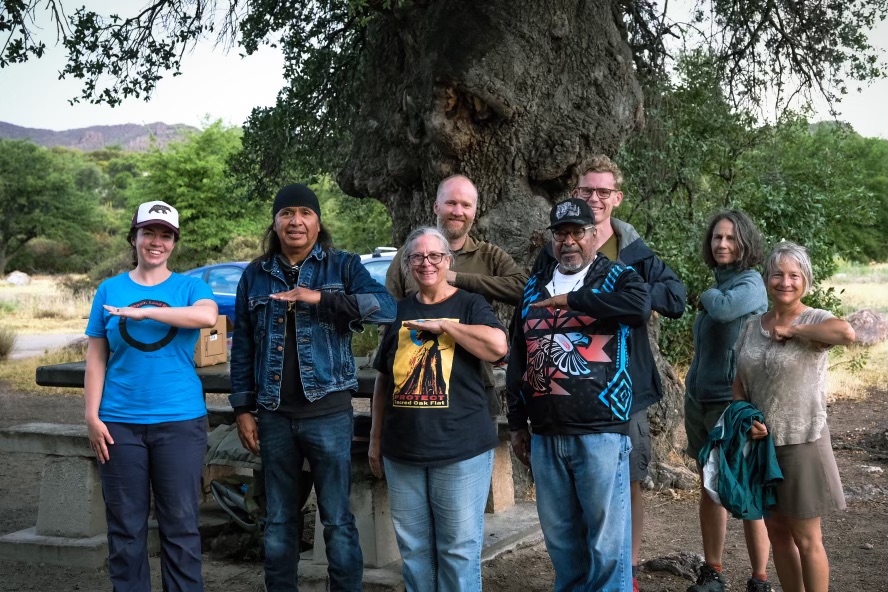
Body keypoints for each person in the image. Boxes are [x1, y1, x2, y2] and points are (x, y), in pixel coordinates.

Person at [229, 183, 396, 592]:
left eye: (305, 213)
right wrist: (242, 408)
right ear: (275, 222)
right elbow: (244, 347)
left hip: (329, 413)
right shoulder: (255, 274)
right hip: (273, 415)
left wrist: (320, 298)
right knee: (280, 519)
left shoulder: (343, 266)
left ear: (319, 223)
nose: (296, 221)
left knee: (337, 519)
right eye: (287, 213)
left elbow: (387, 307)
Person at [530, 155, 686, 590]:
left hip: (624, 386)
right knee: (575, 502)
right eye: (586, 190)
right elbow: (534, 309)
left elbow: (674, 298)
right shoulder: (555, 248)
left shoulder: (631, 250)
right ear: (575, 193)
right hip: (563, 393)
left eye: (603, 191)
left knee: (624, 480)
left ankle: (626, 571)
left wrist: (616, 293)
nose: (594, 198)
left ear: (616, 198)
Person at [508, 198, 651, 591]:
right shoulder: (534, 285)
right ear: (552, 239)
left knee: (607, 549)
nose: (569, 241)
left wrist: (572, 300)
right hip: (546, 433)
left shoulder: (618, 277)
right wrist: (519, 422)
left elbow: (639, 310)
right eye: (561, 234)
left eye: (577, 233)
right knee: (562, 546)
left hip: (601, 430)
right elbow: (518, 354)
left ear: (593, 236)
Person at [84, 200, 219, 591]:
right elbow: (96, 357)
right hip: (119, 424)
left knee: (180, 526)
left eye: (165, 235)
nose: (156, 242)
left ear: (174, 243)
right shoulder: (110, 288)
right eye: (148, 233)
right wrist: (92, 417)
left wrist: (146, 313)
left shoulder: (190, 286)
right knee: (125, 529)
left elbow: (207, 317)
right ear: (135, 237)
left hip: (179, 421)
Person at [370, 226, 509, 591]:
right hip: (403, 452)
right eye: (417, 257)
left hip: (460, 450)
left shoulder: (469, 305)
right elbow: (384, 380)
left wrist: (445, 326)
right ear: (408, 264)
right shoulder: (398, 311)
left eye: (435, 256)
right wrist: (375, 441)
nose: (426, 263)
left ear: (448, 261)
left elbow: (498, 347)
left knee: (458, 550)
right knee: (414, 552)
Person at [734, 241, 854, 592]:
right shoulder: (751, 325)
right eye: (777, 274)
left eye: (794, 275)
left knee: (806, 537)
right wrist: (745, 418)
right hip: (762, 443)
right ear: (767, 279)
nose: (785, 282)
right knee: (777, 533)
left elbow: (846, 333)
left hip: (802, 441)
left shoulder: (814, 319)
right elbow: (739, 382)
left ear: (806, 280)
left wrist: (795, 330)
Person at [385, 174, 527, 415]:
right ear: (436, 207)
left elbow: (524, 289)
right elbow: (388, 316)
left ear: (474, 211)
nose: (458, 211)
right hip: (418, 386)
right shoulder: (408, 256)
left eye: (466, 205)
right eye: (451, 203)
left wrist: (457, 278)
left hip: (476, 380)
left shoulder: (489, 255)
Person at [685, 210, 772, 592]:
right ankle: (713, 573)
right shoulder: (721, 283)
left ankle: (760, 579)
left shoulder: (751, 283)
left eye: (731, 238)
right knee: (710, 487)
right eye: (717, 237)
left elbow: (720, 309)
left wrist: (705, 295)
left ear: (745, 243)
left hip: (729, 404)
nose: (722, 244)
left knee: (745, 490)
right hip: (700, 401)